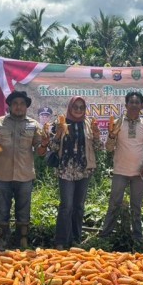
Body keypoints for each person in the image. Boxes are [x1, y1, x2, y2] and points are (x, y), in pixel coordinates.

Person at [0, 90, 48, 250]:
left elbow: (40, 152)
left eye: (21, 104)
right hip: (2, 175)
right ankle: (2, 240)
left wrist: (45, 144)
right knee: (2, 208)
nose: (18, 107)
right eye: (15, 104)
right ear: (10, 106)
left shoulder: (34, 125)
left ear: (26, 106)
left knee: (23, 208)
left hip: (25, 175)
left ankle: (22, 240)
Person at [99, 91, 143, 245]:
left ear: (142, 106)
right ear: (126, 105)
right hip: (120, 172)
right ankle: (105, 236)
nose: (134, 105)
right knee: (114, 204)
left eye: (137, 103)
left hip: (139, 174)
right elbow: (109, 149)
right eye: (131, 102)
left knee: (136, 207)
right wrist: (111, 136)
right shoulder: (117, 124)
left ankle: (138, 238)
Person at [47, 96, 103, 249]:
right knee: (67, 205)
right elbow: (51, 147)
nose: (78, 110)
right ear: (70, 108)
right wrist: (58, 133)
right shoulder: (60, 123)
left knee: (79, 206)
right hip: (66, 170)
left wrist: (97, 134)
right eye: (75, 107)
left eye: (81, 107)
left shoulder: (89, 125)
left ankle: (75, 239)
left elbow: (99, 148)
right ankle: (61, 241)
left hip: (83, 170)